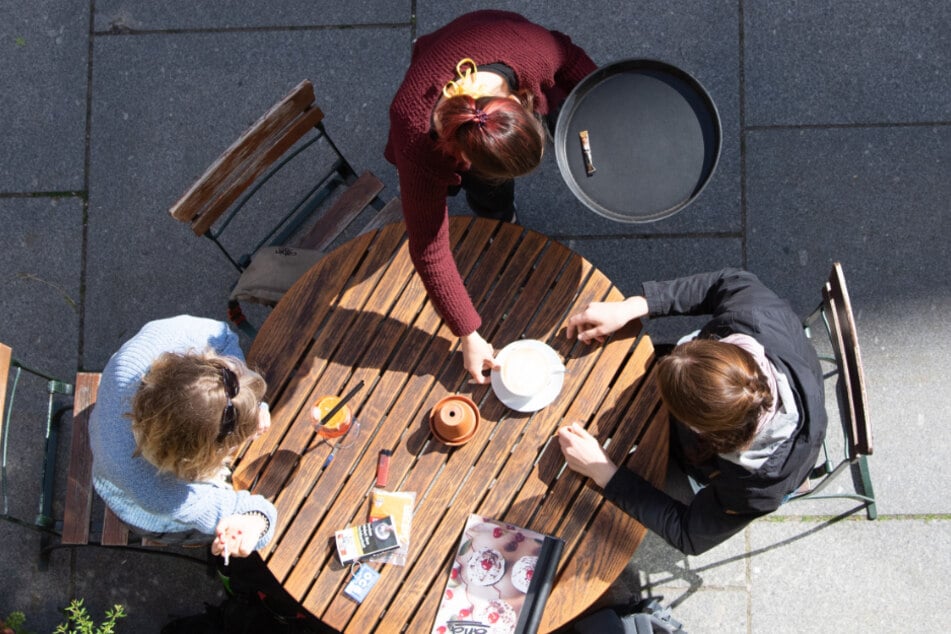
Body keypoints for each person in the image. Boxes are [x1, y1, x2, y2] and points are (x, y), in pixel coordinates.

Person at [385, 10, 597, 384]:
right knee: (489, 196)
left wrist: (604, 108)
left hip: (489, 36)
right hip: (433, 77)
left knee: (570, 108)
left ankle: (500, 214)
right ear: (463, 158)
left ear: (524, 102)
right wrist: (468, 333)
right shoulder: (417, 142)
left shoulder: (532, 53)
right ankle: (499, 218)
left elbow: (569, 56)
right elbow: (428, 248)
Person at [558, 268, 827, 555]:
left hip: (706, 464)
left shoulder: (755, 488)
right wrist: (633, 306)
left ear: (700, 430)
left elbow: (690, 535)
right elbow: (729, 282)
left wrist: (604, 473)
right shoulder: (753, 316)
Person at [89, 315, 276, 559]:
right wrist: (251, 526)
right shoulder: (166, 492)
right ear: (202, 457)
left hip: (106, 436)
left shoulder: (138, 357)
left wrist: (249, 402)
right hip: (136, 506)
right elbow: (258, 513)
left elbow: (223, 336)